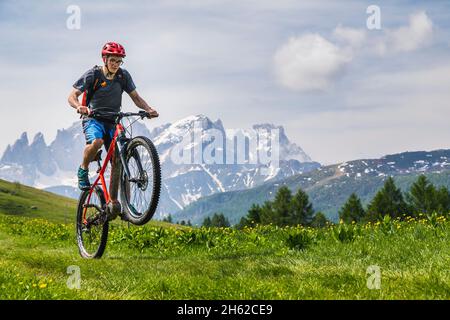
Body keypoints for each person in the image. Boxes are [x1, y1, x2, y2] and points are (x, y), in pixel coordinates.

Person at [68, 41, 158, 199]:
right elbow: (72, 96)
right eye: (112, 60)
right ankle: (83, 169)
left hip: (113, 121)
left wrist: (148, 109)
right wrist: (79, 107)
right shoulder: (93, 74)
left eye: (119, 61)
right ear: (105, 59)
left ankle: (117, 202)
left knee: (118, 159)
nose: (116, 64)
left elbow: (136, 98)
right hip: (93, 119)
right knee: (97, 142)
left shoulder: (123, 76)